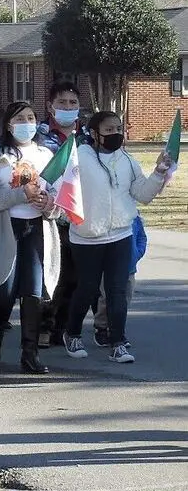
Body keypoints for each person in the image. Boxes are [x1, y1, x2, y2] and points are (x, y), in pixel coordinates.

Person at [63, 111, 170, 364]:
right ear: (94, 134)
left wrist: (158, 174)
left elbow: (142, 194)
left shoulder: (127, 161)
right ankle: (73, 332)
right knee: (87, 289)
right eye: (109, 130)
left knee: (117, 291)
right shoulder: (78, 159)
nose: (115, 134)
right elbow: (63, 192)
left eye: (118, 129)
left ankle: (118, 342)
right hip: (87, 236)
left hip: (121, 233)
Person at [0, 101, 61, 374]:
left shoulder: (46, 154)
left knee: (33, 291)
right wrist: (20, 195)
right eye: (21, 118)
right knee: (5, 292)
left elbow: (59, 197)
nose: (27, 123)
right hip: (5, 229)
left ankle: (29, 352)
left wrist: (48, 203)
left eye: (32, 118)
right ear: (10, 124)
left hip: (36, 229)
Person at [37, 81, 83, 348]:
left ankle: (63, 328)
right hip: (51, 215)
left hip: (78, 215)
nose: (68, 108)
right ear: (50, 107)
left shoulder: (87, 135)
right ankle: (43, 327)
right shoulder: (41, 137)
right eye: (62, 103)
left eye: (72, 103)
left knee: (75, 277)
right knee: (52, 273)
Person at [93, 214, 146, 347]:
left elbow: (141, 237)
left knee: (124, 301)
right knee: (106, 299)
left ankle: (117, 331)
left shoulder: (135, 217)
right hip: (110, 267)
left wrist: (137, 253)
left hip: (129, 268)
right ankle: (101, 328)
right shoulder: (110, 216)